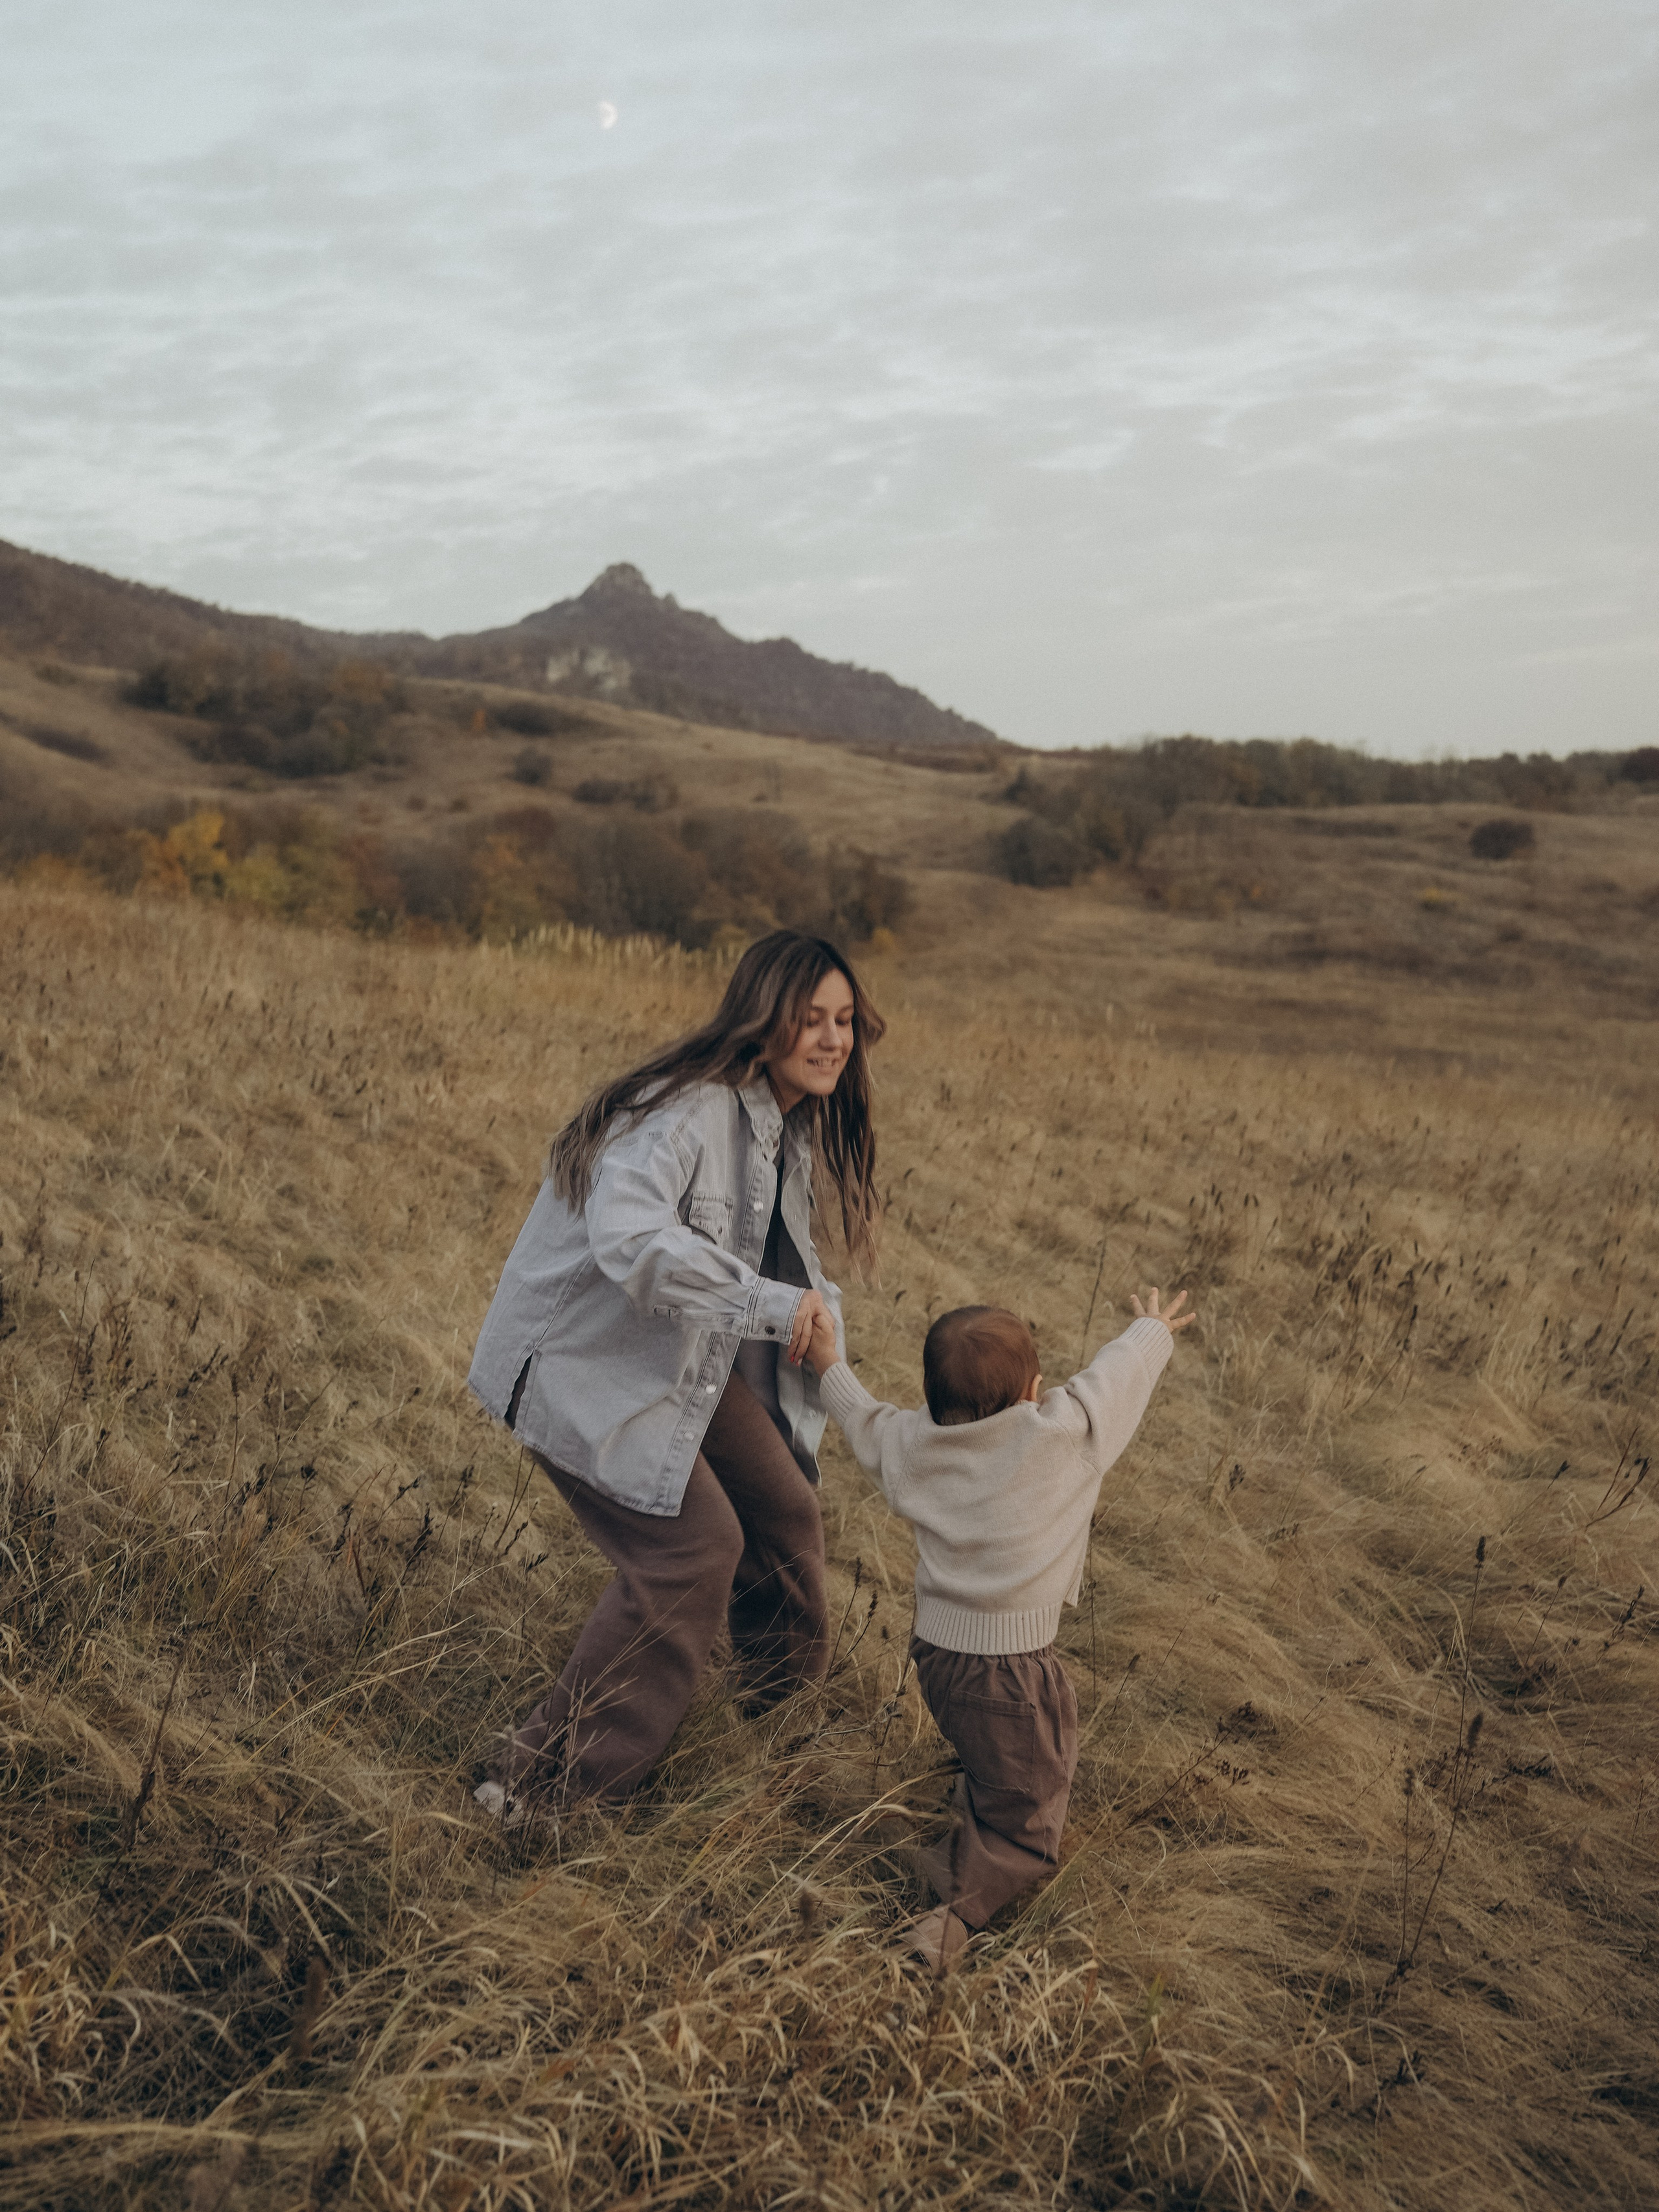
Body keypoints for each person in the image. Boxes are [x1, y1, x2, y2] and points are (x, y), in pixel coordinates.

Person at [466, 930, 883, 1828]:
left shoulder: (783, 1125)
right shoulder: (690, 1111)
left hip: (678, 1355)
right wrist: (774, 1307)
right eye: (810, 1018)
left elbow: (780, 1262)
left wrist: (818, 1331)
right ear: (761, 1017)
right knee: (693, 1551)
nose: (832, 1039)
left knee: (785, 1513)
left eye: (844, 1020)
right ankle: (539, 1793)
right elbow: (631, 1240)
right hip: (582, 1362)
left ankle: (781, 1734)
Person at [804, 1286, 1194, 1967]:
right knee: (1034, 1800)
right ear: (1033, 1391)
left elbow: (862, 1419)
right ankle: (950, 1922)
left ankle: (970, 1808)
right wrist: (1150, 1328)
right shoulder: (1061, 1434)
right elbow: (1116, 1377)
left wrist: (828, 1361)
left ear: (931, 1397)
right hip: (1010, 1666)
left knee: (993, 1757)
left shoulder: (916, 1443)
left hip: (938, 1657)